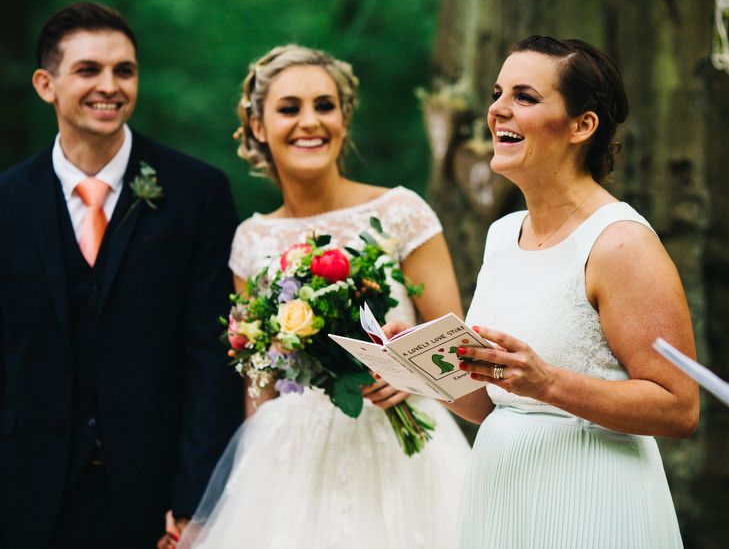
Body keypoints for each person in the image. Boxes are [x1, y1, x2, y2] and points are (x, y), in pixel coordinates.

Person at [175, 44, 471, 548]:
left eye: (324, 105)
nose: (309, 122)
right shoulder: (251, 240)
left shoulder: (402, 212)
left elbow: (458, 354)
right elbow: (260, 386)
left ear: (344, 119)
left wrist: (410, 374)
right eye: (290, 108)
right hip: (290, 460)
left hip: (401, 455)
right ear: (257, 127)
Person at [421, 35, 698, 547]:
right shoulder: (503, 233)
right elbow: (493, 403)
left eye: (525, 97)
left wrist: (549, 383)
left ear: (581, 126)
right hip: (502, 494)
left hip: (590, 495)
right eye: (497, 92)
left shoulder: (619, 242)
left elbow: (678, 407)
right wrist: (418, 366)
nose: (498, 110)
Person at [0, 1, 243, 548]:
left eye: (124, 71)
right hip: (23, 491)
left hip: (153, 498)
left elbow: (213, 354)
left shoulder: (196, 192)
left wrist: (194, 499)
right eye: (88, 70)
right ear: (46, 84)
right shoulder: (6, 201)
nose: (109, 86)